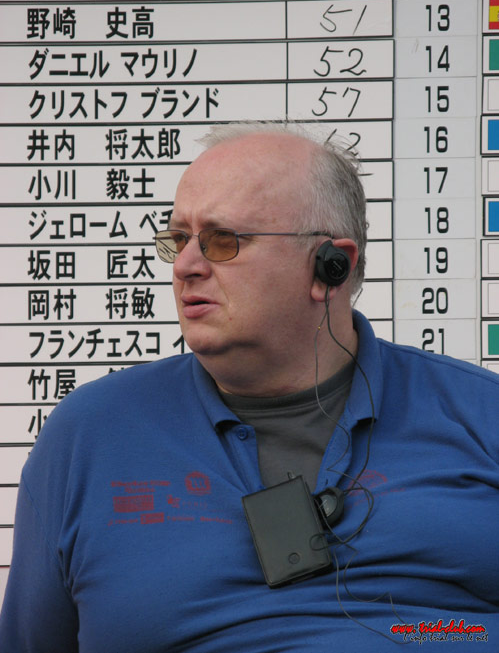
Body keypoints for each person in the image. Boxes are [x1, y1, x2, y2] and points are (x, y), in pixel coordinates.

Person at [0, 123, 498, 652]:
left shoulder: (481, 414)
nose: (186, 266)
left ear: (330, 267)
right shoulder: (91, 434)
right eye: (178, 240)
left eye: (222, 241)